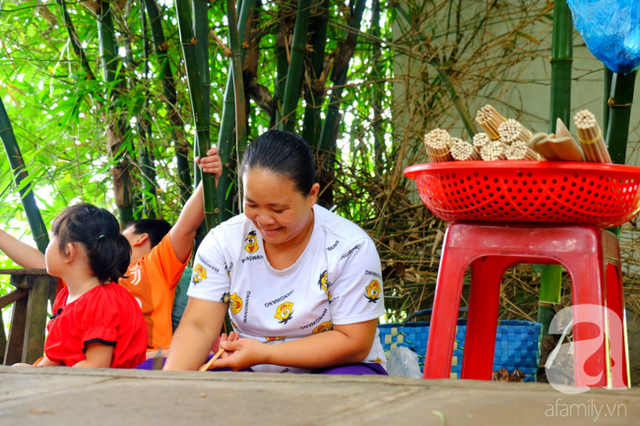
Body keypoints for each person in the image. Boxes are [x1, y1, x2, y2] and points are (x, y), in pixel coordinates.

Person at [163, 130, 387, 375]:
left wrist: (265, 352)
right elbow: (198, 325)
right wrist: (173, 383)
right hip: (250, 368)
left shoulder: (350, 247)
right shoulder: (223, 242)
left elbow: (354, 341)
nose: (265, 220)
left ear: (312, 195)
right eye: (252, 205)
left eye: (278, 209)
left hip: (339, 369)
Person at [0, 147, 222, 354]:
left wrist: (207, 180)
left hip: (145, 361)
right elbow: (43, 263)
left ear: (141, 239)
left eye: (123, 231)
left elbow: (185, 227)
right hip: (83, 361)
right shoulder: (90, 272)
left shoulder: (155, 265)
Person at [15, 204, 147, 368]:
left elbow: (96, 366)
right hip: (72, 379)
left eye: (52, 237)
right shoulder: (67, 297)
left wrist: (43, 379)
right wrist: (37, 372)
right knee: (19, 369)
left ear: (68, 252)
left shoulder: (101, 303)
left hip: (106, 386)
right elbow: (57, 353)